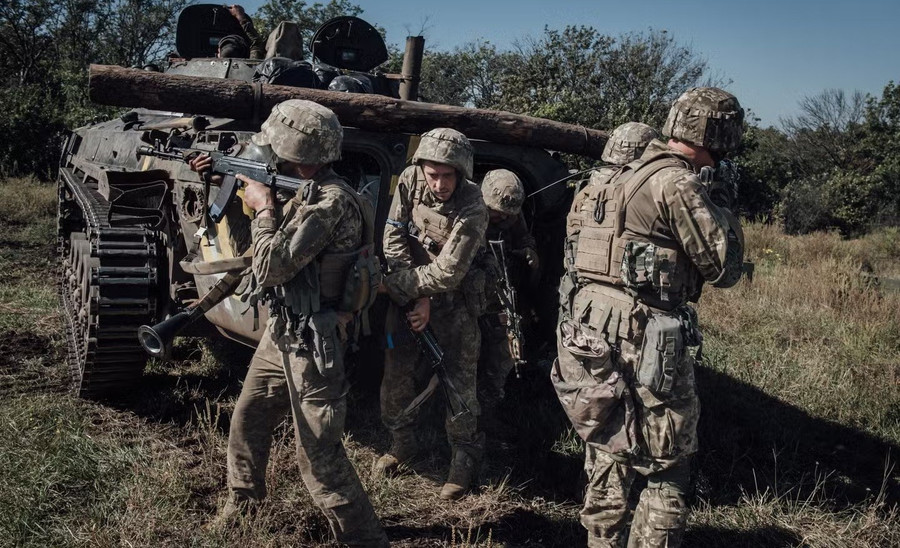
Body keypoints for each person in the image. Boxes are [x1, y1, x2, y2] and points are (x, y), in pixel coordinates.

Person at [190, 99, 388, 547]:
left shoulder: (330, 203)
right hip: (284, 330)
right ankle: (243, 504)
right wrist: (223, 177)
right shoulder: (307, 190)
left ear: (295, 153)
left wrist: (262, 207)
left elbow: (271, 267)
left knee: (318, 456)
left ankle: (364, 539)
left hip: (315, 343)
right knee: (249, 418)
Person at [553, 88, 746, 548]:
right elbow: (725, 269)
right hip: (646, 339)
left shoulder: (614, 178)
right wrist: (723, 201)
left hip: (591, 330)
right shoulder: (676, 183)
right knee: (668, 469)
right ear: (720, 135)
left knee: (610, 449)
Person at [375, 128, 489, 501]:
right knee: (397, 372)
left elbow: (449, 272)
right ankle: (402, 443)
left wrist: (410, 290)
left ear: (462, 173)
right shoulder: (410, 180)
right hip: (408, 296)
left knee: (459, 382)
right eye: (433, 174)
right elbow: (392, 237)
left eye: (448, 175)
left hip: (455, 303)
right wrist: (415, 295)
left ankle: (463, 459)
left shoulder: (473, 205)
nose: (439, 184)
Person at [476, 169, 538, 435]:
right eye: (497, 213)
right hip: (468, 297)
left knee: (501, 357)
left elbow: (524, 236)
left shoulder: (511, 213)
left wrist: (528, 250)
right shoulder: (469, 210)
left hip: (500, 297)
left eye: (507, 215)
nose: (502, 218)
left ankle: (487, 412)